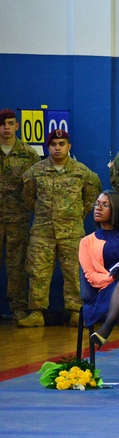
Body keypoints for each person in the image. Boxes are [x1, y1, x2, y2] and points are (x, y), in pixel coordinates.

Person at [19, 130, 102, 328]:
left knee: (74, 272)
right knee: (38, 272)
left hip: (72, 231)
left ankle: (75, 312)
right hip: (42, 231)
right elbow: (28, 197)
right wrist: (44, 214)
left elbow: (91, 197)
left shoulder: (82, 172)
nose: (58, 147)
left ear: (69, 146)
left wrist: (75, 215)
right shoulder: (35, 171)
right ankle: (37, 312)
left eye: (62, 143)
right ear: (48, 147)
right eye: (54, 144)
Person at [80, 190, 119, 385]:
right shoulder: (87, 242)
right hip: (106, 292)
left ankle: (106, 329)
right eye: (97, 204)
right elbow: (90, 276)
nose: (98, 208)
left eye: (105, 205)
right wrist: (114, 278)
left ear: (117, 209)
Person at [0, 108, 39, 322]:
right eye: (2, 123)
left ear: (17, 125)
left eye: (10, 123)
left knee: (17, 266)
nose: (6, 127)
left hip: (19, 220)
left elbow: (35, 186)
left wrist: (28, 207)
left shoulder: (28, 153)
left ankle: (18, 308)